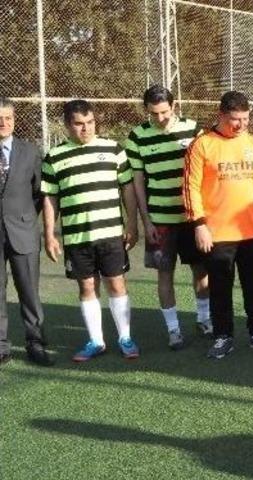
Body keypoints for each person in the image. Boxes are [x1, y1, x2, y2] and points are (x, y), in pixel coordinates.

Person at [183, 91, 253, 359]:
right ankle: (223, 336)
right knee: (220, 288)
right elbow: (191, 188)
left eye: (246, 119)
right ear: (221, 115)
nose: (241, 125)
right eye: (235, 119)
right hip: (218, 233)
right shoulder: (202, 145)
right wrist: (199, 224)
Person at [42, 100, 140, 362]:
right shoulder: (54, 157)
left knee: (116, 284)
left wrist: (132, 223)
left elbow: (127, 188)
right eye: (78, 124)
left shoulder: (113, 150)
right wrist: (49, 234)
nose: (85, 129)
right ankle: (96, 341)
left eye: (90, 122)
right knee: (87, 286)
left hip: (110, 234)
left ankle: (125, 338)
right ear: (67, 125)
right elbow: (50, 197)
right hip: (77, 237)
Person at [125, 85, 210, 350]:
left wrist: (202, 219)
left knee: (201, 271)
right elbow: (138, 183)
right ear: (146, 110)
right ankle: (174, 330)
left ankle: (204, 319)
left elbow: (205, 173)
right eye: (154, 114)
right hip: (160, 221)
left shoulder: (193, 129)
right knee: (165, 274)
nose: (160, 118)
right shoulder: (137, 137)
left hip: (191, 218)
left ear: (174, 107)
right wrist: (146, 221)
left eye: (164, 112)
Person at [0, 97, 52, 367]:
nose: (3, 123)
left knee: (29, 292)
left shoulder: (30, 152)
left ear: (14, 120)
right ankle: (1, 347)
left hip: (23, 231)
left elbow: (39, 192)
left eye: (8, 118)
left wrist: (25, 217)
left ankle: (36, 343)